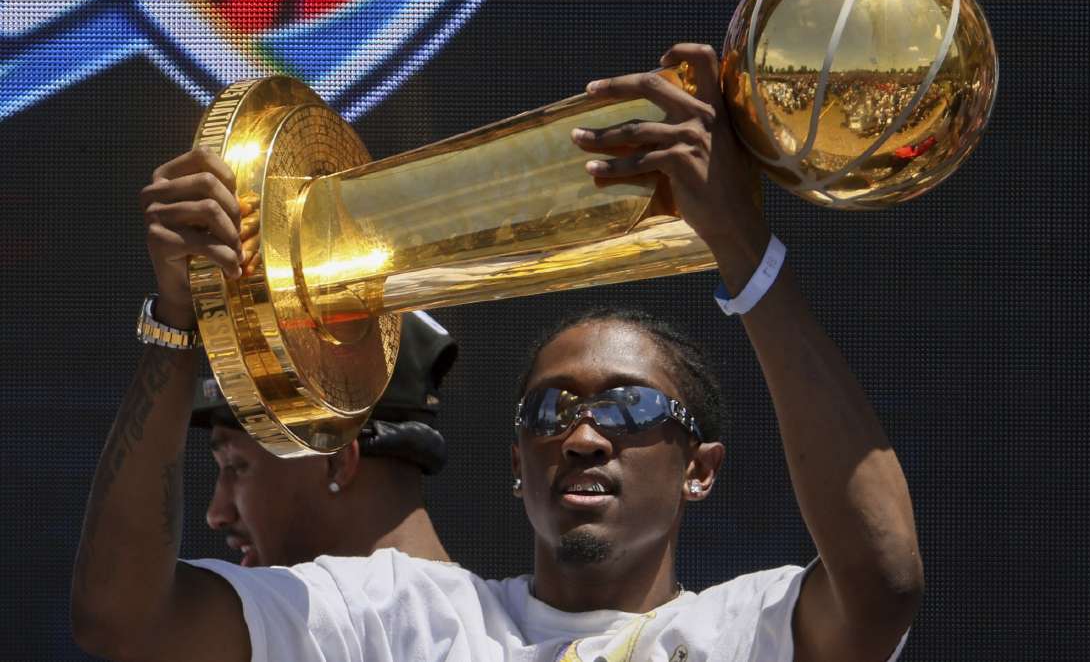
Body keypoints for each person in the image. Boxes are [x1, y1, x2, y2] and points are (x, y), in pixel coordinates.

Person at [71, 43, 922, 662]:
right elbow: (121, 620)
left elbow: (882, 585)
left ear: (699, 468)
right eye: (550, 412)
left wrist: (745, 254)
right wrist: (183, 319)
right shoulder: (407, 620)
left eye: (628, 409)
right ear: (517, 463)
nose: (583, 436)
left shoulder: (745, 630)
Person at [196, 309, 457, 567]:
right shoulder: (486, 603)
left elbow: (158, 598)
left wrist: (168, 320)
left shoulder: (297, 604)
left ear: (337, 461)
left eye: (238, 465)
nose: (216, 514)